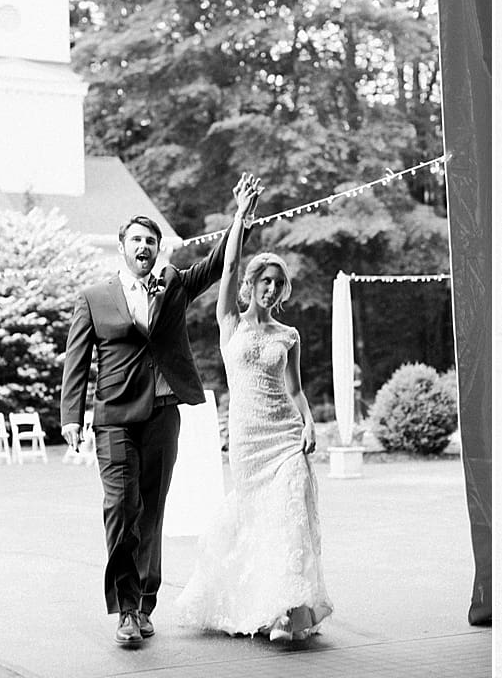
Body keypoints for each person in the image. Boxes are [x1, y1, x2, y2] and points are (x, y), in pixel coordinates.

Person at [60, 177, 252, 646]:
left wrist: (240, 217)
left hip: (165, 412)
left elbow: (215, 267)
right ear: (121, 246)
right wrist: (70, 416)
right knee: (121, 509)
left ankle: (145, 603)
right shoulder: (95, 298)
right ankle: (126, 609)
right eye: (137, 240)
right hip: (113, 417)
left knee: (152, 512)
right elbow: (76, 360)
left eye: (151, 241)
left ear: (158, 250)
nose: (144, 246)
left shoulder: (173, 286)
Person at [174, 173, 333, 642]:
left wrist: (309, 424)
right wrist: (240, 216)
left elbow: (298, 390)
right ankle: (258, 603)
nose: (270, 289)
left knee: (291, 516)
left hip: (285, 435)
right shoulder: (230, 323)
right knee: (257, 520)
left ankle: (289, 612)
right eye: (264, 281)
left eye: (277, 283)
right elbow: (224, 270)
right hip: (247, 438)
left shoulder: (290, 336)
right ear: (251, 285)